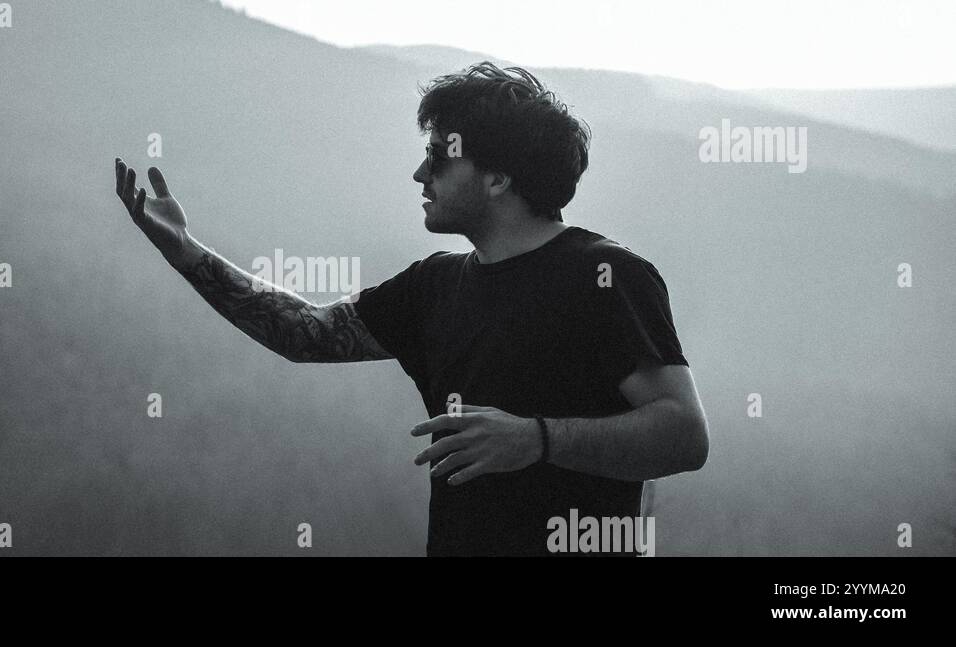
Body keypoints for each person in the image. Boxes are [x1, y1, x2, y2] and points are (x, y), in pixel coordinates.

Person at [113, 62, 708, 556]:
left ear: (498, 178)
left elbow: (684, 435)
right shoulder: (435, 286)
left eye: (439, 158)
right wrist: (186, 253)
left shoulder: (605, 277)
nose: (420, 173)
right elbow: (305, 333)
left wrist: (536, 439)